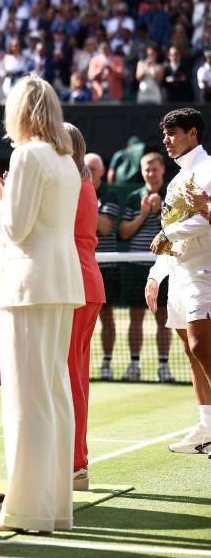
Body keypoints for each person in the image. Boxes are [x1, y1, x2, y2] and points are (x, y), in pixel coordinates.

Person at [0, 74, 83, 534]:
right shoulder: (64, 158)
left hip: (31, 284)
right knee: (53, 395)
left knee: (29, 399)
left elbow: (14, 226)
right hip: (56, 281)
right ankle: (53, 509)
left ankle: (30, 511)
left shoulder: (29, 154)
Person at [146, 108, 211, 457]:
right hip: (181, 274)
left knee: (203, 347)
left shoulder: (209, 169)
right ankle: (206, 425)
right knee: (191, 351)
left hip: (206, 271)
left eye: (173, 133)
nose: (167, 141)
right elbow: (167, 237)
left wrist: (168, 232)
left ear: (193, 134)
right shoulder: (174, 182)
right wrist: (156, 275)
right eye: (165, 135)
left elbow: (206, 219)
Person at [64, 123, 105, 492]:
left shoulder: (73, 187)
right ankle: (76, 463)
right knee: (75, 378)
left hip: (74, 285)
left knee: (69, 378)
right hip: (85, 284)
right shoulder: (84, 185)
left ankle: (75, 465)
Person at [118, 153, 173, 382]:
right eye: (146, 170)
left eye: (154, 169)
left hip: (165, 266)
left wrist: (161, 212)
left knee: (164, 317)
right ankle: (133, 365)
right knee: (136, 316)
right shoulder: (133, 197)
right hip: (136, 267)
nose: (150, 173)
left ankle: (164, 367)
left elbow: (176, 230)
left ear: (162, 170)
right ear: (142, 172)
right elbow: (124, 232)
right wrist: (142, 215)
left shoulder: (173, 193)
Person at [87, 152, 121, 380]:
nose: (88, 173)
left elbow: (106, 226)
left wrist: (80, 207)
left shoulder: (110, 194)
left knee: (107, 317)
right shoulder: (74, 191)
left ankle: (107, 363)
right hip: (81, 265)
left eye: (93, 169)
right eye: (85, 168)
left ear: (102, 171)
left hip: (106, 268)